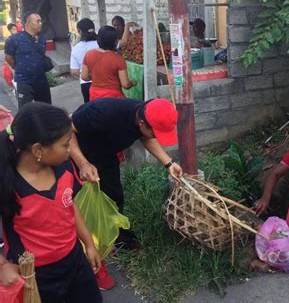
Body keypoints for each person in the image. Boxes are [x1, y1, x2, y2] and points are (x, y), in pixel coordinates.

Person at [69, 97, 183, 289]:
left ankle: (121, 242)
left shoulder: (143, 116)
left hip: (105, 157)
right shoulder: (102, 114)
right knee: (80, 209)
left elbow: (146, 137)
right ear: (141, 123)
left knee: (114, 198)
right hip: (77, 157)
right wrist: (82, 163)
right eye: (156, 132)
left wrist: (169, 163)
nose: (156, 136)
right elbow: (67, 129)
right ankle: (86, 256)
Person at [0, 102, 102, 302]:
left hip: (74, 260)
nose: (69, 150)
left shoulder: (64, 168)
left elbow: (69, 206)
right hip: (36, 275)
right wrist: (2, 266)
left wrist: (89, 244)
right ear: (38, 150)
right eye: (65, 144)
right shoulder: (7, 183)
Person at [4, 12, 51, 108]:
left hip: (41, 79)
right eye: (37, 21)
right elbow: (8, 58)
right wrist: (18, 67)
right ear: (28, 23)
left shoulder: (42, 38)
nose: (40, 23)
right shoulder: (14, 40)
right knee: (26, 110)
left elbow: (42, 55)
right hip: (24, 81)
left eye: (41, 21)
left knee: (46, 108)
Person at [81, 26, 136, 101]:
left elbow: (84, 77)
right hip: (113, 98)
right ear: (115, 42)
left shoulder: (88, 54)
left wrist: (96, 76)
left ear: (98, 39)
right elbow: (125, 84)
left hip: (95, 95)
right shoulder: (118, 59)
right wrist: (133, 83)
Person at [70, 18, 98, 103]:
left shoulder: (76, 48)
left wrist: (87, 76)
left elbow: (74, 71)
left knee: (90, 109)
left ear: (79, 31)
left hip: (85, 83)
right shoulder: (101, 43)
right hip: (104, 82)